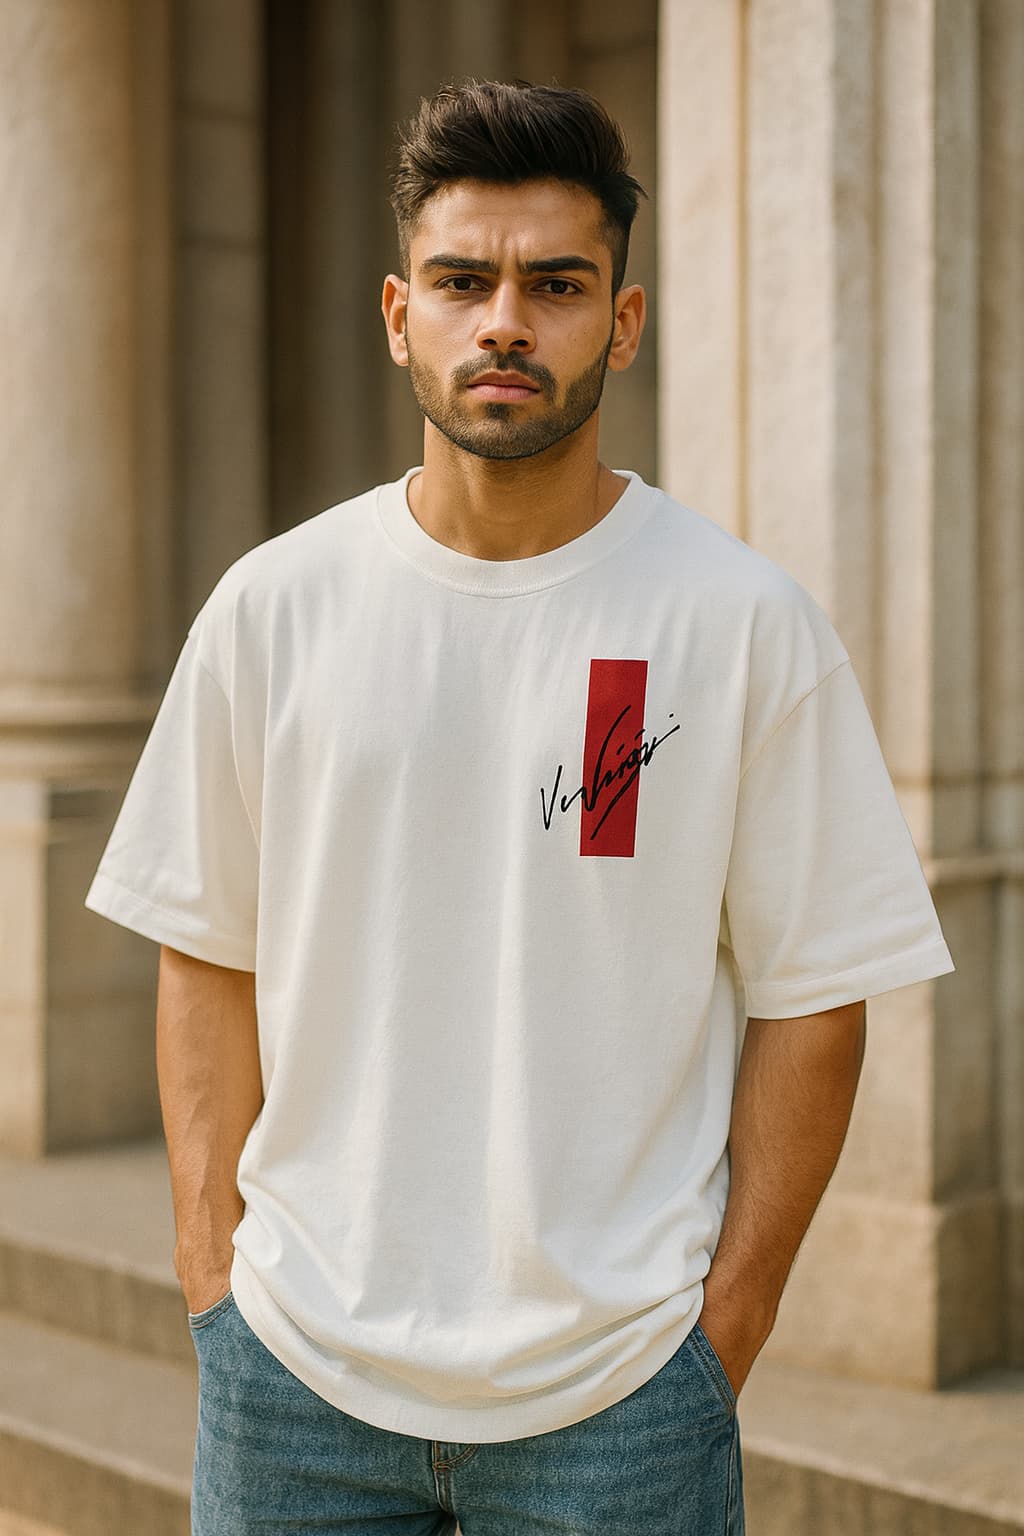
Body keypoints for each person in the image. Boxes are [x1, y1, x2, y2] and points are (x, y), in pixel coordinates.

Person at [84, 78, 955, 1536]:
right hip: (294, 1382)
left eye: (555, 285)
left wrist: (712, 1343)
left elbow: (819, 1000)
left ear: (622, 321)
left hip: (619, 1409)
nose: (505, 321)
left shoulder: (741, 624)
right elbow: (206, 953)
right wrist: (214, 1286)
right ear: (396, 314)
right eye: (463, 280)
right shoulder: (274, 610)